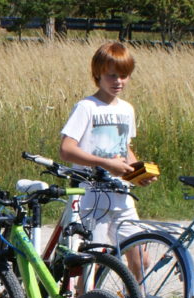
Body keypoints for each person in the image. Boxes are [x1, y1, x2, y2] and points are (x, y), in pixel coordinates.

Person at [57, 41, 158, 275]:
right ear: (98, 74)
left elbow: (125, 148)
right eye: (112, 76)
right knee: (91, 263)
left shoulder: (126, 109)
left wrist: (137, 173)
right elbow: (66, 149)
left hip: (122, 195)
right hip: (92, 197)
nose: (119, 82)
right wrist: (104, 163)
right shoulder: (86, 107)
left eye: (124, 76)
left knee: (141, 260)